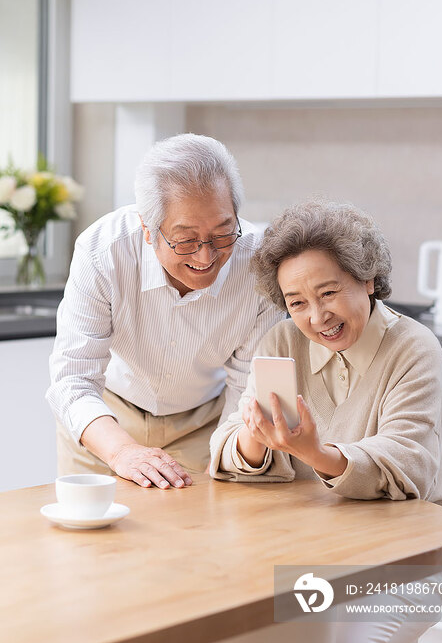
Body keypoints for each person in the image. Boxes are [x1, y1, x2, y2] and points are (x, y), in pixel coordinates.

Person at [209, 199, 442, 643]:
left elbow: (410, 465)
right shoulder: (282, 343)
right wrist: (256, 442)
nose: (316, 316)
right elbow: (222, 444)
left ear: (367, 278)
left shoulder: (413, 348)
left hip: (405, 563)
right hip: (314, 557)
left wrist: (315, 454)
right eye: (297, 302)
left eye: (328, 292)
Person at [47, 134, 283, 490]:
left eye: (222, 235)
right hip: (106, 421)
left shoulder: (259, 265)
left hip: (204, 423)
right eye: (185, 240)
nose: (206, 257)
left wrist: (236, 455)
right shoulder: (103, 252)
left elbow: (247, 385)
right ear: (147, 229)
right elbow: (72, 380)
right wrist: (122, 452)